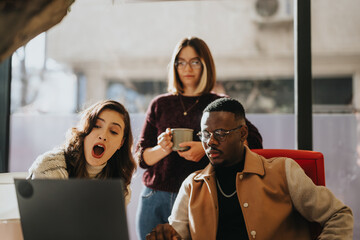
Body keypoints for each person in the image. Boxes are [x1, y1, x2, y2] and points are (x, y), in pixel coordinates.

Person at [146, 98, 354, 240]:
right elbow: (176, 233)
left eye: (220, 132)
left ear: (243, 133)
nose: (210, 142)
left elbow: (339, 215)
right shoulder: (192, 185)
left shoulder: (283, 171)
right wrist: (165, 235)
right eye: (205, 134)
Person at [135, 37, 263, 240]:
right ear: (174, 66)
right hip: (154, 196)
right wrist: (163, 149)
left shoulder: (219, 103)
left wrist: (206, 148)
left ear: (205, 65)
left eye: (195, 61)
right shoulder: (160, 104)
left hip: (200, 195)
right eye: (181, 62)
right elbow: (141, 158)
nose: (188, 68)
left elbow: (253, 141)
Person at [28, 100, 136, 205]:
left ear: (121, 143)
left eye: (113, 131)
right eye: (97, 126)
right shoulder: (49, 168)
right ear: (85, 129)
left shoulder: (121, 187)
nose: (103, 136)